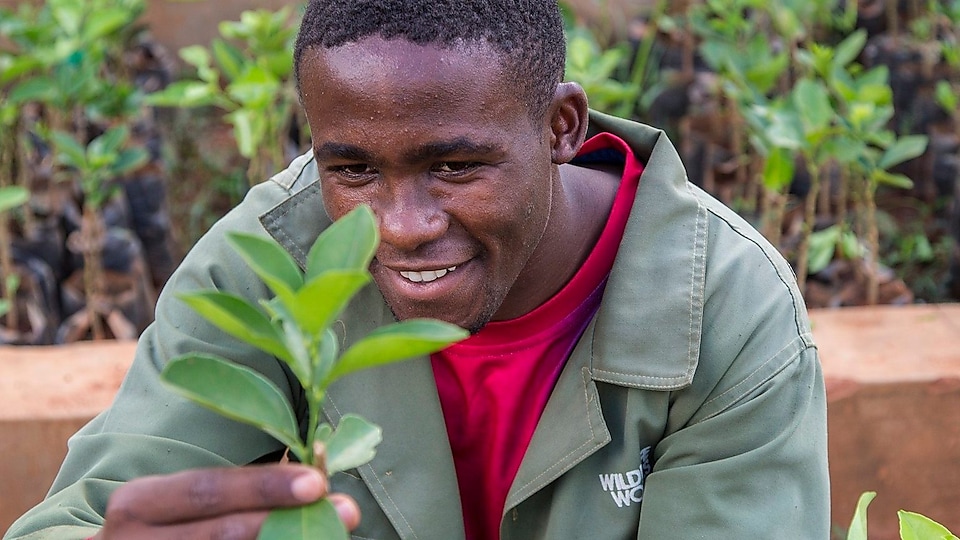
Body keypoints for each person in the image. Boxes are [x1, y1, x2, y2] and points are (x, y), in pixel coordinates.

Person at [5, 1, 830, 538]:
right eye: (354, 171)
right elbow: (75, 518)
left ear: (560, 126)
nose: (400, 228)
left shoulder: (722, 308)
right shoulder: (267, 270)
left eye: (456, 167)